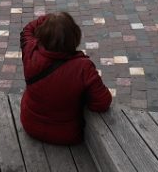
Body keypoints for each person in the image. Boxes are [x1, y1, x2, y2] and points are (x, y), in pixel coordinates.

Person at [19, 12, 112, 145]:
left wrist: (50, 19)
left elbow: (28, 29)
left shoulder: (30, 51)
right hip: (66, 135)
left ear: (42, 35)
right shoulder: (83, 67)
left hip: (30, 125)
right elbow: (103, 103)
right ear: (75, 36)